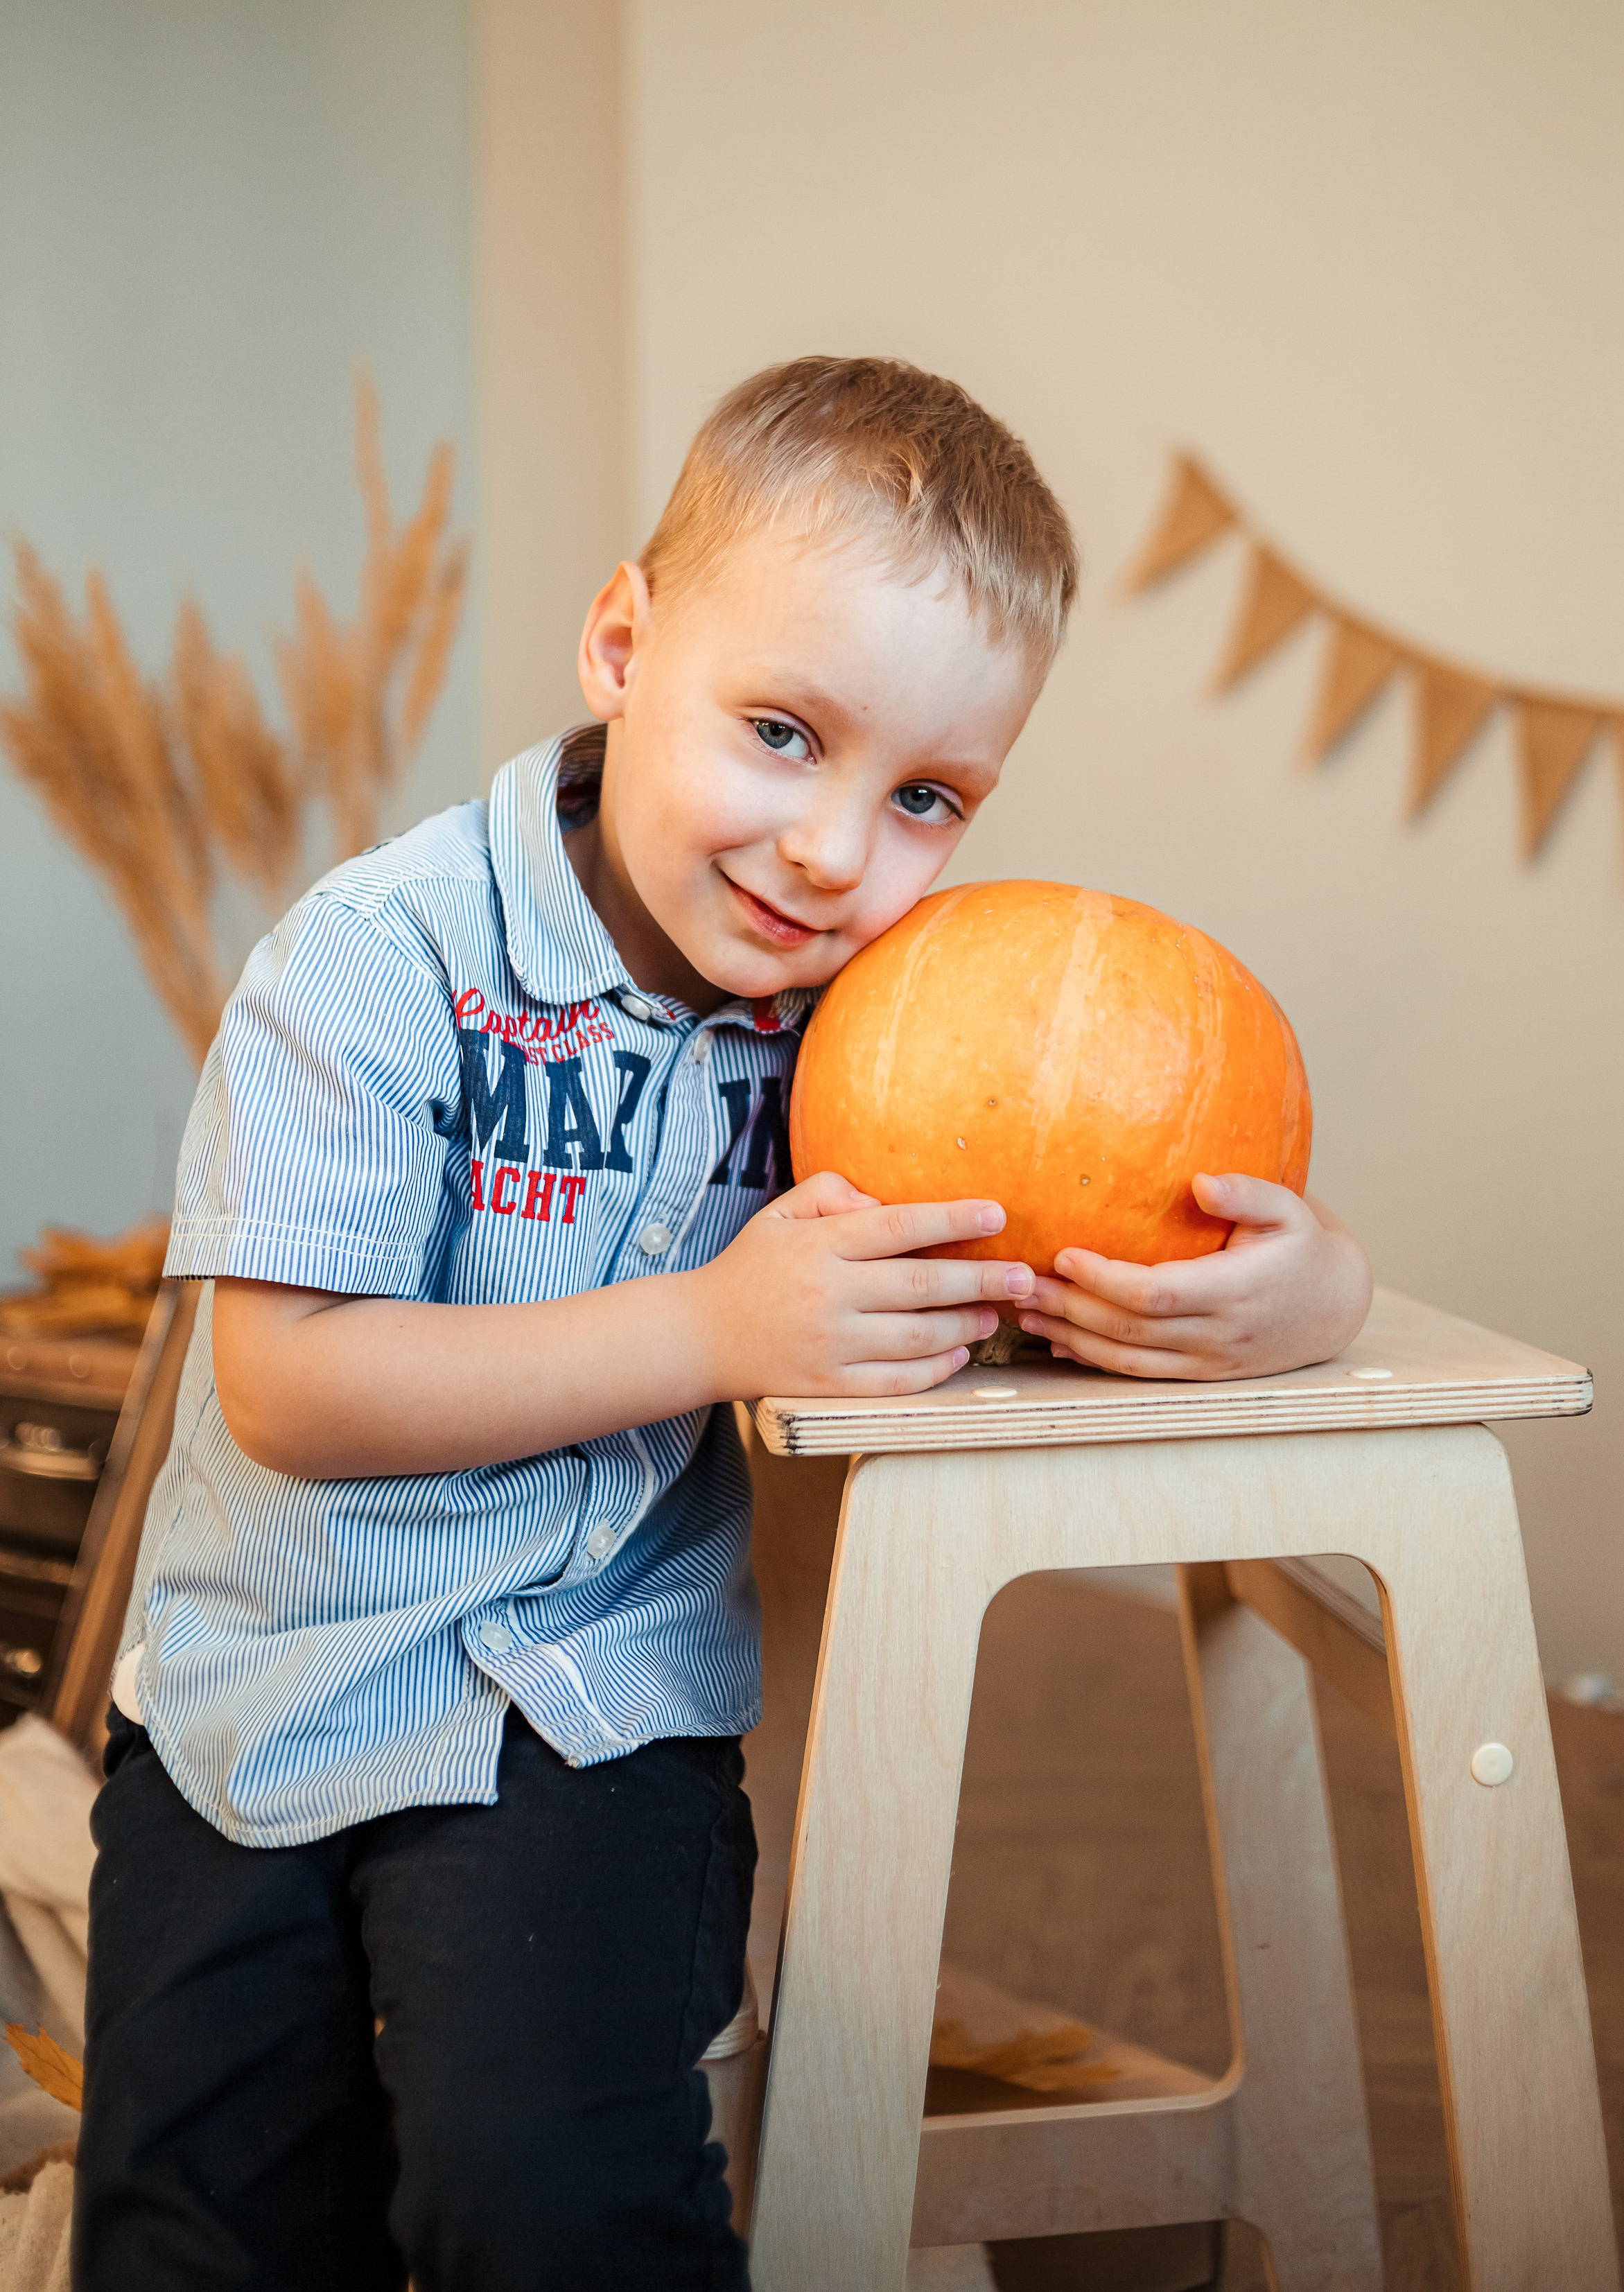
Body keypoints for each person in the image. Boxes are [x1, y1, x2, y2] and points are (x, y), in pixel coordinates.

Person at [76, 357, 1371, 2291]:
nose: (838, 850)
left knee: (546, 2192)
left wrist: (1299, 1292)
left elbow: (1090, 1209)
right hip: (261, 1694)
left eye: (924, 794)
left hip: (592, 1729)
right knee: (201, 2232)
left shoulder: (886, 1035)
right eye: (782, 730)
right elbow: (287, 1383)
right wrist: (716, 1323)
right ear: (623, 643)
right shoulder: (376, 961)